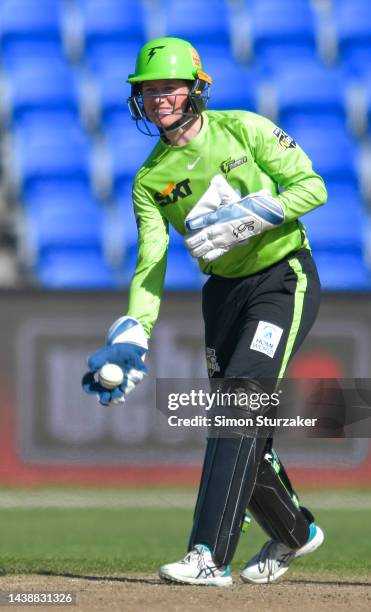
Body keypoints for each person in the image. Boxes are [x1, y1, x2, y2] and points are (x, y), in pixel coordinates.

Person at [82, 36, 327, 586]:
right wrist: (133, 332)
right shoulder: (150, 181)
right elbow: (150, 262)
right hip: (222, 295)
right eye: (146, 90)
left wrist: (254, 215)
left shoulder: (244, 128)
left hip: (282, 276)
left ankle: (208, 555)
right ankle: (295, 532)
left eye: (167, 86)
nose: (156, 98)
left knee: (237, 404)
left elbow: (312, 187)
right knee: (237, 428)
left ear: (196, 89)